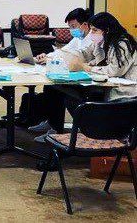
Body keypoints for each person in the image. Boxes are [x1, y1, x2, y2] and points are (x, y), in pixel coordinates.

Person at [35, 12, 137, 142]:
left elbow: (114, 70)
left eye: (95, 30)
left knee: (72, 99)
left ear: (107, 30)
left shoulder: (122, 44)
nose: (91, 33)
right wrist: (51, 58)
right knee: (60, 89)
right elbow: (82, 53)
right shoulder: (100, 41)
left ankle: (93, 131)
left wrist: (86, 68)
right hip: (107, 86)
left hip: (126, 95)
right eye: (91, 29)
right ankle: (79, 130)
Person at [29, 8, 103, 137]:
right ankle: (51, 123)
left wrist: (56, 59)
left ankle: (56, 129)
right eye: (69, 27)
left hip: (88, 79)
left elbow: (80, 58)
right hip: (77, 73)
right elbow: (64, 51)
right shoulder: (78, 39)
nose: (71, 30)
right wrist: (46, 56)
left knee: (57, 88)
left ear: (85, 25)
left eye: (73, 26)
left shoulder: (92, 40)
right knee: (50, 85)